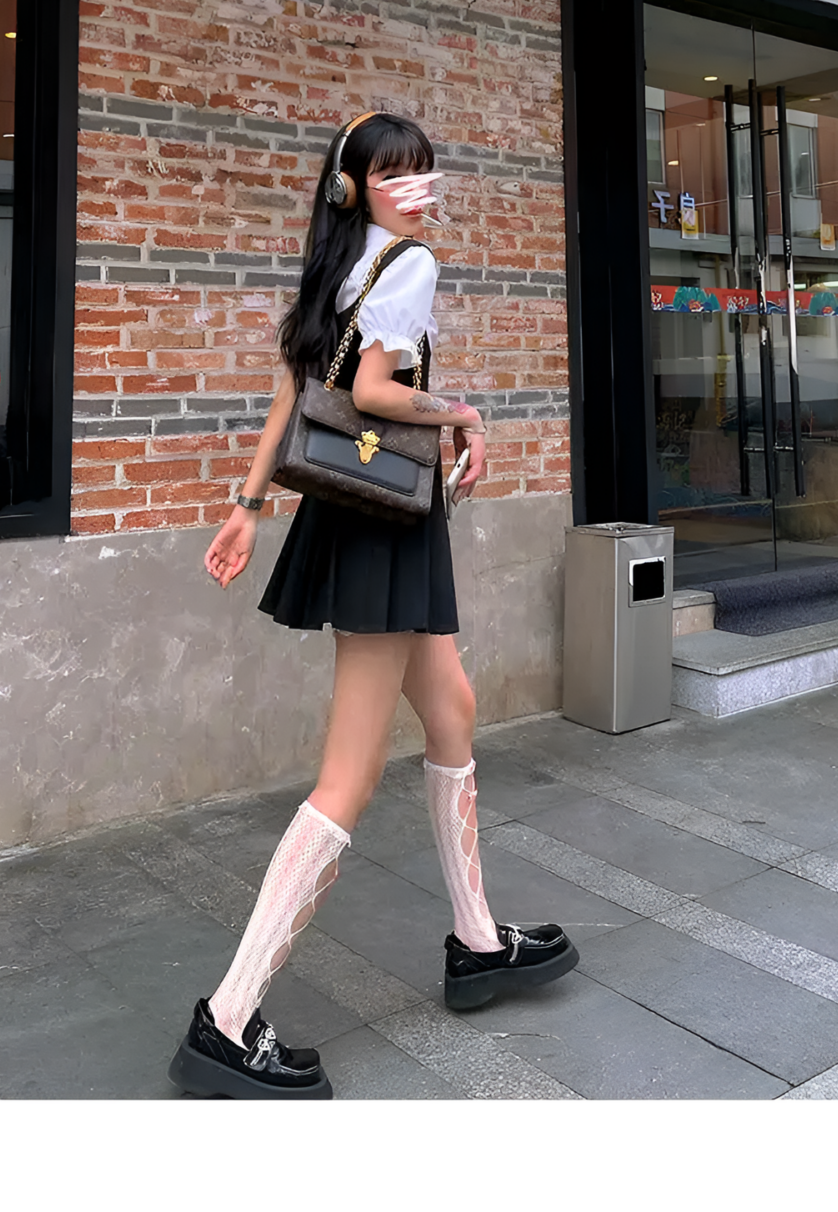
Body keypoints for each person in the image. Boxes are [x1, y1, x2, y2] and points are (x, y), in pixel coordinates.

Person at [166, 112, 578, 1100]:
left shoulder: (335, 263)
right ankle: (228, 1015)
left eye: (421, 168)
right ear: (356, 183)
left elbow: (293, 399)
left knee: (452, 708)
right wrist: (464, 411)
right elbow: (370, 385)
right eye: (395, 171)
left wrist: (246, 506)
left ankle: (478, 941)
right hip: (384, 519)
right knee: (347, 774)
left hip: (356, 512)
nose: (415, 184)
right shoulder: (410, 265)